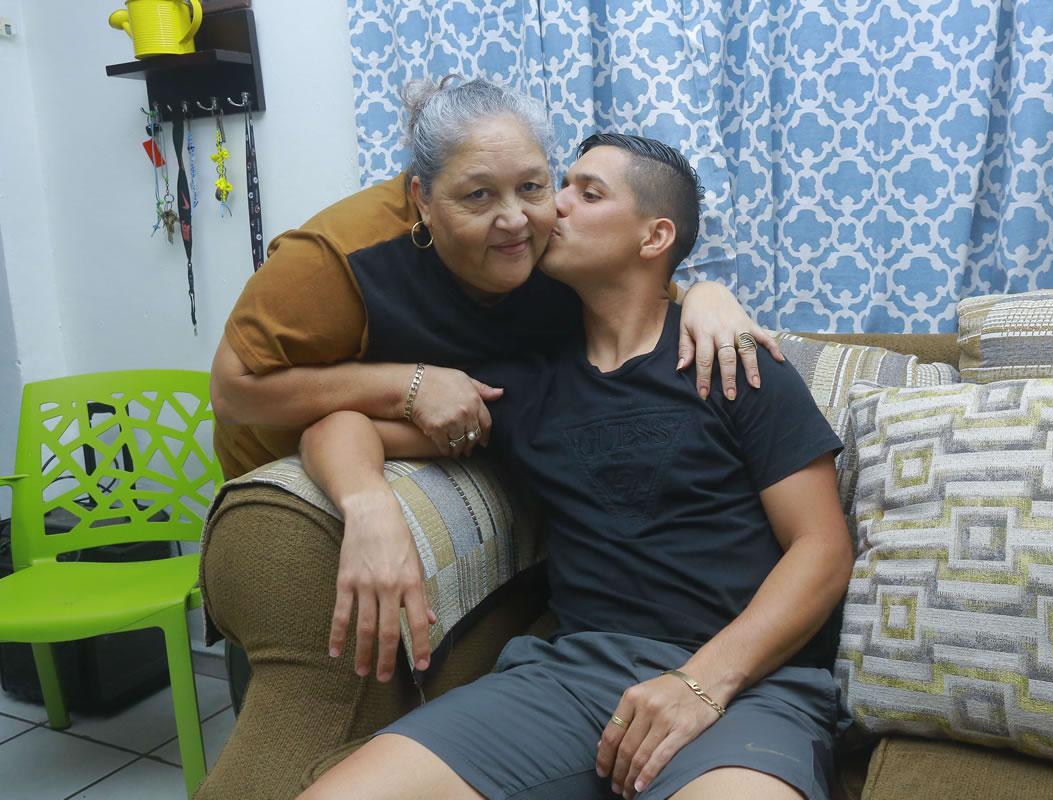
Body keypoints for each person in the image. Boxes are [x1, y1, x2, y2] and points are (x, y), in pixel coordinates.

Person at [198, 78, 784, 799]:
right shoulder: (342, 261)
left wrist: (706, 294)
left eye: (543, 187)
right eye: (478, 197)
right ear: (422, 200)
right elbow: (245, 393)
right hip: (286, 499)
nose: (527, 217)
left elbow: (641, 277)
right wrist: (376, 481)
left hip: (739, 680)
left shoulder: (710, 353)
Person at [295, 133, 854, 800]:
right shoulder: (522, 384)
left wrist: (700, 684)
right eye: (558, 187)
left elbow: (821, 549)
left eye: (586, 194)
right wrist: (367, 506)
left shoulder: (733, 361)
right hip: (570, 681)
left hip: (751, 688)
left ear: (654, 238)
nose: (549, 208)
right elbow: (337, 426)